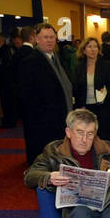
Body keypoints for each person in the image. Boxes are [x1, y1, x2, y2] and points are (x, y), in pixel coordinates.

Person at [17, 22, 73, 164]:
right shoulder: (30, 62)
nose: (49, 40)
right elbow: (26, 95)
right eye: (45, 37)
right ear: (36, 39)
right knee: (44, 162)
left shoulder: (57, 58)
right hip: (41, 123)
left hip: (60, 119)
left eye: (52, 37)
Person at [71, 36, 110, 140]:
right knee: (86, 139)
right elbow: (76, 89)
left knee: (103, 139)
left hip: (104, 108)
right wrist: (79, 106)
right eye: (89, 47)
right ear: (83, 50)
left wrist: (106, 91)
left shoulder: (106, 65)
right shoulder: (79, 67)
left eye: (95, 47)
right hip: (85, 108)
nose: (93, 49)